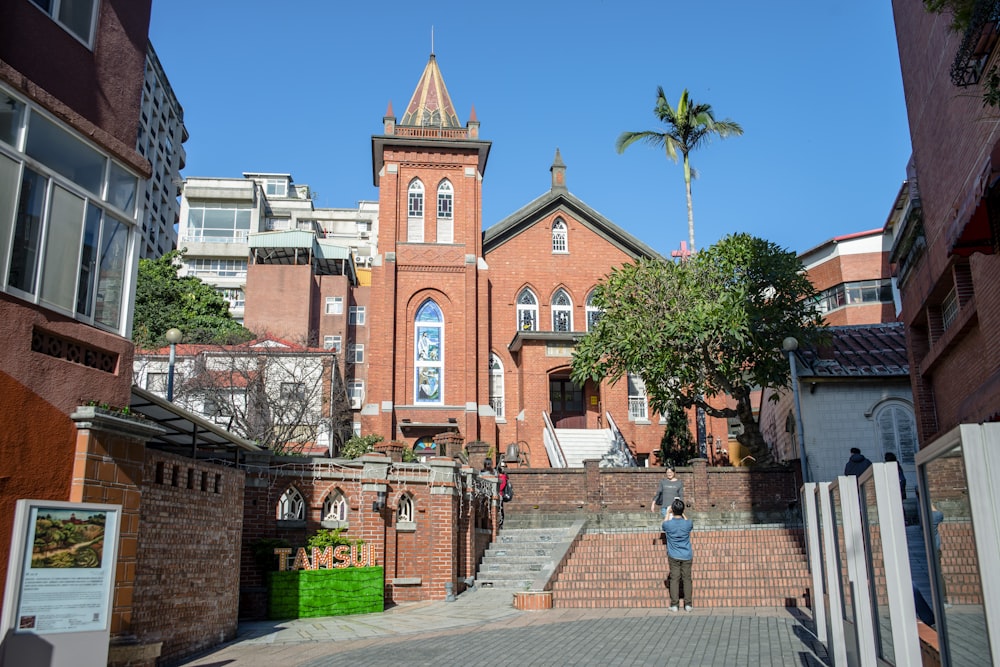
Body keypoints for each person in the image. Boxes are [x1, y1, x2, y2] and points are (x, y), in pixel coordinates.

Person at [663, 498, 693, 612]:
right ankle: (688, 604)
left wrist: (667, 512)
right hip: (687, 554)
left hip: (674, 555)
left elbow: (664, 524)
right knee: (687, 579)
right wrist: (682, 512)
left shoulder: (668, 525)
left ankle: (674, 605)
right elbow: (687, 521)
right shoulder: (688, 524)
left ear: (673, 510)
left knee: (674, 579)